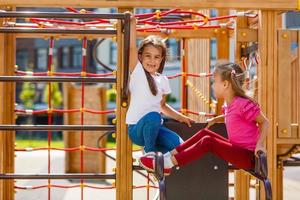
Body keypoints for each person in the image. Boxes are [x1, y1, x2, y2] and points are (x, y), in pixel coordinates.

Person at [139, 62, 269, 175]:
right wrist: (216, 119)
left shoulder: (243, 104)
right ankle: (169, 155)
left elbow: (264, 122)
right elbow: (233, 118)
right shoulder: (229, 104)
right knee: (205, 132)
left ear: (225, 84)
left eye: (214, 82)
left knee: (208, 141)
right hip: (237, 150)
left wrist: (260, 145)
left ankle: (166, 163)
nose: (212, 86)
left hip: (248, 156)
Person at [126, 17, 194, 155]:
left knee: (180, 147)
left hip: (156, 128)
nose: (152, 61)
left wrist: (181, 117)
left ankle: (159, 170)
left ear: (162, 59)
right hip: (137, 129)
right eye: (148, 56)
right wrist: (133, 24)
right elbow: (131, 47)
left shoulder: (162, 80)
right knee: (154, 116)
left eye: (157, 57)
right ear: (140, 57)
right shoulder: (138, 72)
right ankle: (149, 152)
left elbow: (162, 106)